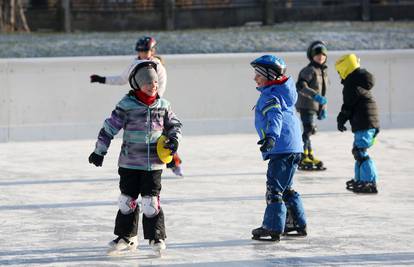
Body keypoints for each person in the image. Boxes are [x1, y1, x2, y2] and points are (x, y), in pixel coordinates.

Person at [88, 61, 182, 254]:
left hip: (154, 165)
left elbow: (175, 125)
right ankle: (127, 237)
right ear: (138, 85)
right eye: (148, 83)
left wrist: (174, 139)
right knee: (126, 201)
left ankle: (156, 237)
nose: (153, 86)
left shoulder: (163, 105)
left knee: (150, 203)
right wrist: (99, 151)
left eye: (155, 82)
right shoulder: (126, 106)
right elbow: (109, 128)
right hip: (129, 163)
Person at [90, 36, 184, 177]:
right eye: (140, 51)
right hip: (138, 103)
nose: (143, 53)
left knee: (163, 136)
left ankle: (174, 163)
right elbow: (122, 79)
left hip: (154, 106)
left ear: (152, 50)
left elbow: (160, 88)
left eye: (146, 50)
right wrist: (102, 79)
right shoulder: (135, 64)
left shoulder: (157, 66)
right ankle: (136, 166)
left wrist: (154, 104)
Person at [250, 55, 307, 242]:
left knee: (274, 189)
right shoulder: (284, 93)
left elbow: (275, 117)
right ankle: (297, 223)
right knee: (286, 187)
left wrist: (271, 138)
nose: (254, 78)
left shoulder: (271, 95)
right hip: (293, 147)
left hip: (281, 147)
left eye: (258, 74)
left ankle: (273, 227)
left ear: (268, 75)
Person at [335, 53, 380, 194]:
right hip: (368, 122)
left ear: (344, 69)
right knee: (358, 151)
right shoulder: (358, 82)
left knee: (360, 152)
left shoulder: (351, 84)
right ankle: (361, 179)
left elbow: (348, 106)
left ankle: (369, 181)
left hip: (365, 123)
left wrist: (341, 119)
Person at [295, 40, 329, 170]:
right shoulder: (309, 70)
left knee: (309, 131)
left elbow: (323, 94)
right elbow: (301, 86)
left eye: (323, 55)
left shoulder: (322, 71)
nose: (320, 57)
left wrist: (322, 108)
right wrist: (314, 96)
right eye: (317, 55)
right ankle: (303, 155)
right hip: (306, 105)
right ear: (311, 56)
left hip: (313, 106)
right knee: (308, 129)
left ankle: (308, 154)